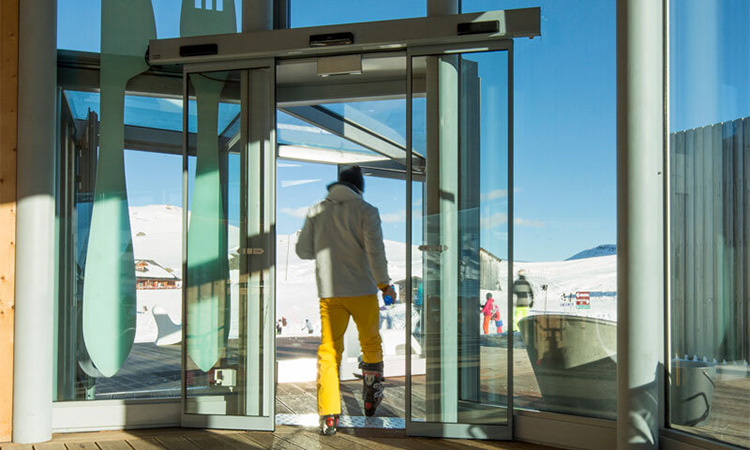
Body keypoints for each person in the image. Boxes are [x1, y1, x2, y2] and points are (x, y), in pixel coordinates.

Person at [296, 165, 396, 436]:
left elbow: (303, 250)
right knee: (371, 342)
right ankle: (370, 399)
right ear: (359, 187)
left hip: (330, 294)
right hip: (363, 290)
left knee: (329, 351)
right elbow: (376, 252)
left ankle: (328, 414)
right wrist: (385, 285)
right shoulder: (367, 211)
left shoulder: (317, 210)